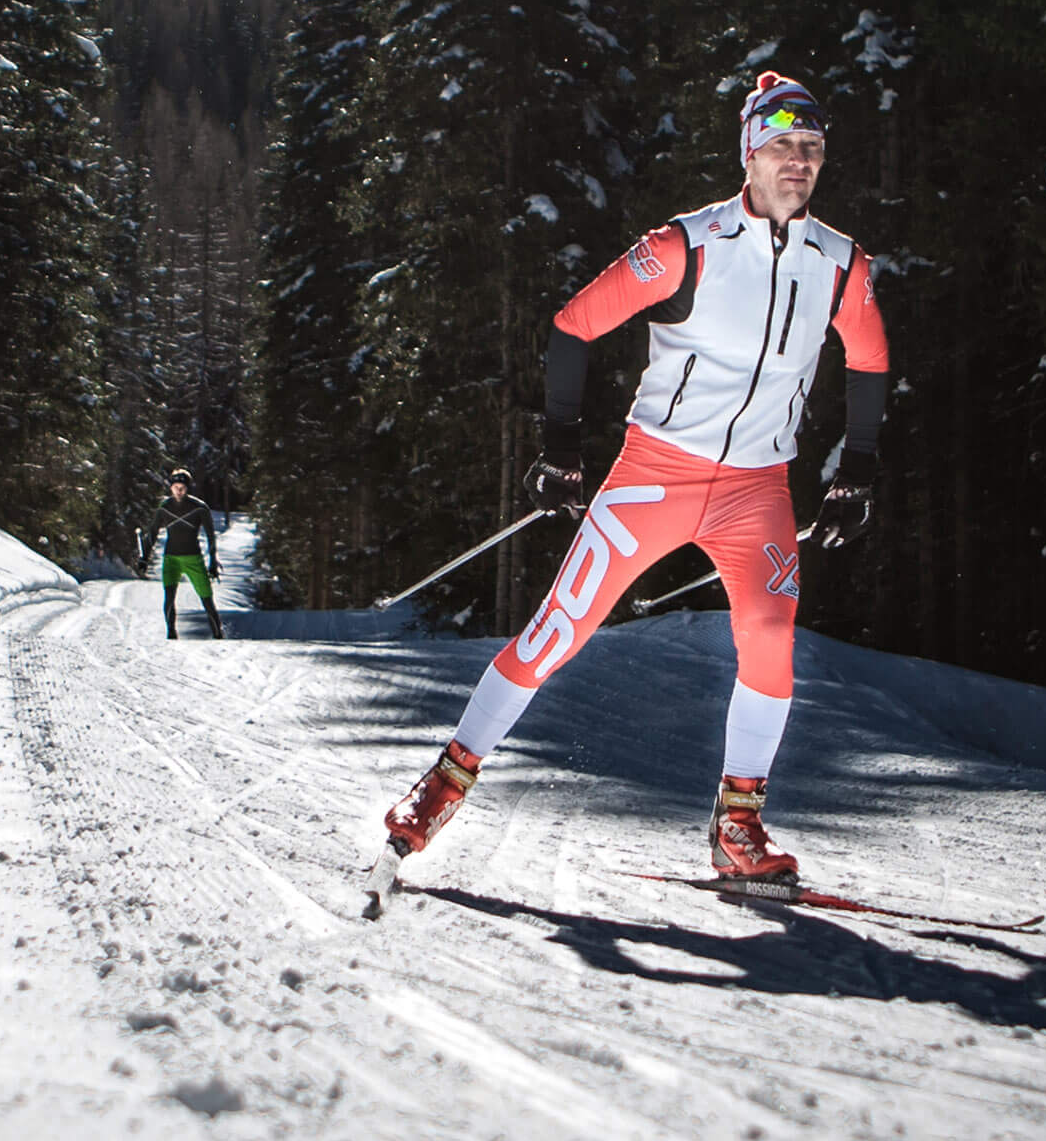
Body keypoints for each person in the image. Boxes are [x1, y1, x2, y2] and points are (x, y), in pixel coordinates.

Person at [370, 72, 889, 905]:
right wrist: (562, 450)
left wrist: (856, 469)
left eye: (814, 150)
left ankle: (738, 828)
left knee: (769, 637)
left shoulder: (839, 262)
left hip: (758, 488)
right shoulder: (688, 244)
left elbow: (868, 362)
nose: (801, 162)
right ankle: (441, 787)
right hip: (655, 475)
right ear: (749, 153)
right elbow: (574, 326)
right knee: (556, 633)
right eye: (785, 145)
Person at [140, 468, 226, 640]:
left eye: (182, 487)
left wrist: (213, 561)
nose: (179, 490)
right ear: (170, 488)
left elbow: (211, 536)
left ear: (187, 489)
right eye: (176, 486)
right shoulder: (164, 508)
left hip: (193, 558)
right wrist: (144, 558)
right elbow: (153, 533)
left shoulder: (200, 508)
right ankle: (171, 634)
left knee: (206, 597)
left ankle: (218, 634)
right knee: (169, 596)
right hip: (171, 558)